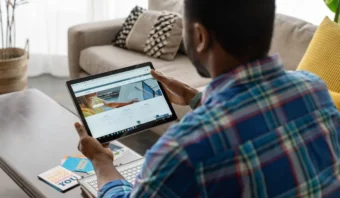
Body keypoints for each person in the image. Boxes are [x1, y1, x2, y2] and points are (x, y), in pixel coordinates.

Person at [74, 0, 340, 197]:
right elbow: (254, 122)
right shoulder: (313, 89)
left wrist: (101, 161)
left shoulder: (183, 149)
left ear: (199, 37)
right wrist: (197, 99)